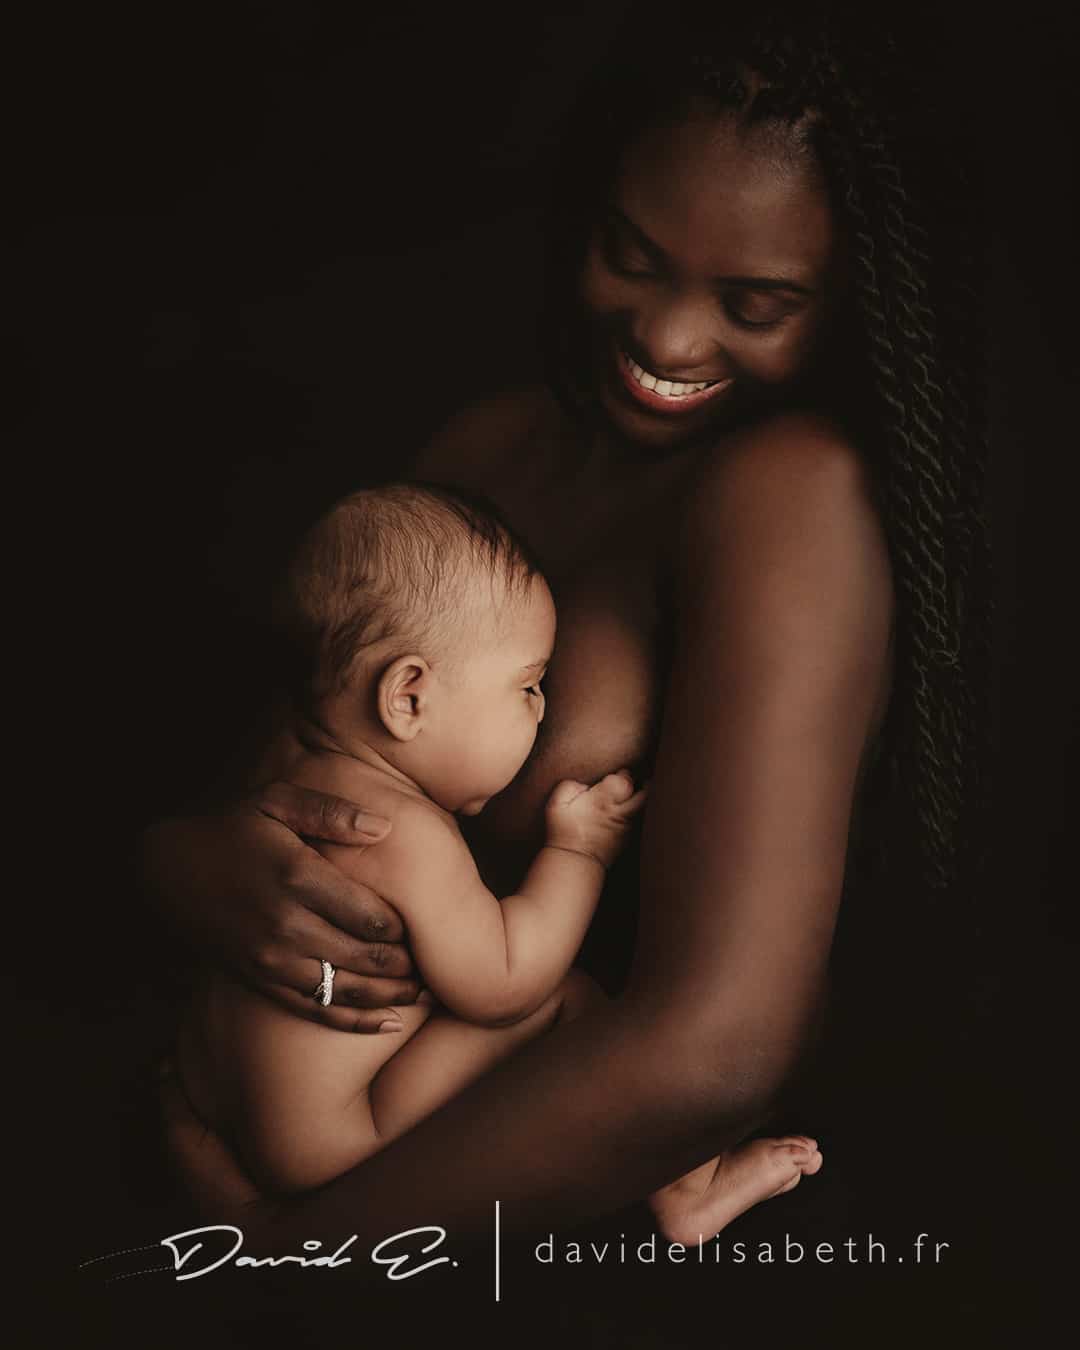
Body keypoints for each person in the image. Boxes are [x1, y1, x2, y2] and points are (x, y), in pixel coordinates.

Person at [148, 2, 991, 1251]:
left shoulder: (790, 494)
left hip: (463, 1216)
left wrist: (288, 1267)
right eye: (631, 253)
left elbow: (718, 1050)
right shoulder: (490, 441)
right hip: (289, 1110)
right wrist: (185, 867)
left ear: (863, 297)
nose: (664, 336)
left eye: (756, 303)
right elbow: (287, 774)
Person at [176, 481, 821, 1236]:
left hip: (219, 1099)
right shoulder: (403, 834)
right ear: (408, 699)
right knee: (567, 1003)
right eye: (529, 685)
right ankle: (688, 1190)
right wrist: (578, 852)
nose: (543, 708)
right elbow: (504, 983)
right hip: (335, 1135)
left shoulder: (281, 775)